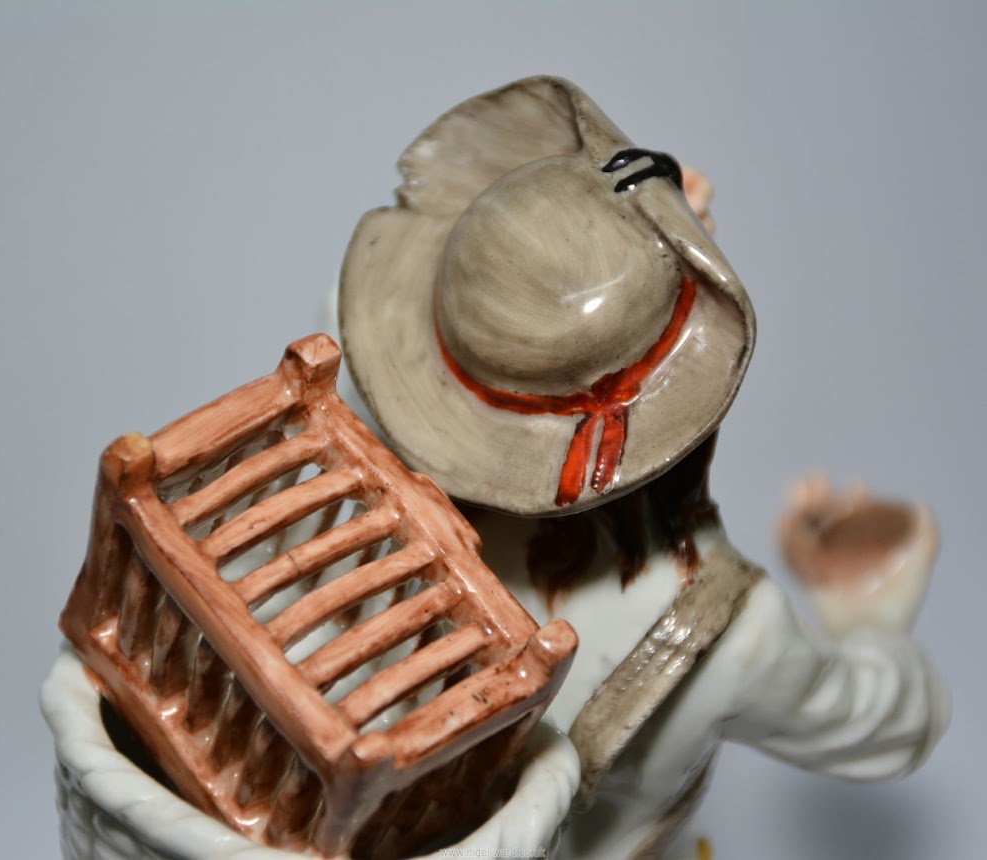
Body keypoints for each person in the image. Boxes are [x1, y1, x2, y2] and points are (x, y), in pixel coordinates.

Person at [336, 76, 949, 859]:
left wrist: (647, 225)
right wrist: (867, 610)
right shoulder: (731, 631)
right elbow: (891, 724)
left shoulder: (358, 430)